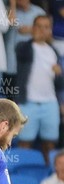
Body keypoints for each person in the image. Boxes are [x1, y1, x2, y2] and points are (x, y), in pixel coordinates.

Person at [15, 15, 63, 164]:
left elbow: (60, 84)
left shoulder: (54, 51)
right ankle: (22, 175)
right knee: (25, 142)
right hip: (28, 102)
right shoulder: (24, 47)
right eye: (39, 26)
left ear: (50, 30)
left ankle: (50, 175)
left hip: (50, 103)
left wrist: (59, 74)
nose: (42, 30)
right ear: (33, 27)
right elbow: (19, 54)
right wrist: (30, 34)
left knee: (50, 143)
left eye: (46, 27)